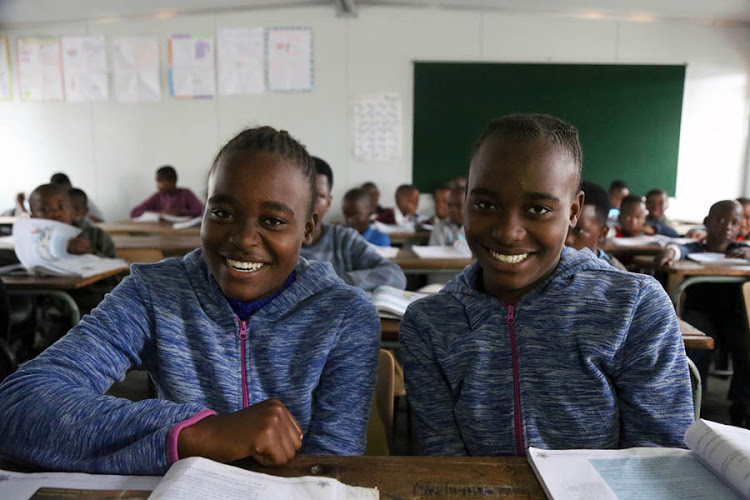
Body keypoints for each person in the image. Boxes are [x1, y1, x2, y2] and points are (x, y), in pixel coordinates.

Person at [0, 126, 380, 474]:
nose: (243, 238)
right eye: (222, 212)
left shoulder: (345, 316)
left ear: (309, 228)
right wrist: (195, 433)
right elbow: (18, 406)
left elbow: (331, 468)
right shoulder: (154, 292)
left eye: (273, 221)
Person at [400, 114, 693, 456]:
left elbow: (660, 459)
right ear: (464, 201)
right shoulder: (429, 323)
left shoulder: (634, 307)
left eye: (538, 209)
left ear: (573, 211)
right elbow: (445, 464)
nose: (509, 232)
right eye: (484, 204)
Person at [656, 200, 750, 427]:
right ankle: (695, 405)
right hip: (699, 312)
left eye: (734, 223)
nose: (727, 226)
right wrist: (671, 251)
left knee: (746, 346)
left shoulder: (741, 250)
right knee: (700, 346)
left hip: (732, 315)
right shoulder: (695, 247)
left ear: (740, 228)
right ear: (707, 222)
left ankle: (742, 405)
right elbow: (679, 249)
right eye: (720, 220)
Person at [301, 157, 406, 291]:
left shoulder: (344, 239)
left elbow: (395, 276)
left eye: (319, 196)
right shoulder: (277, 241)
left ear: (328, 203)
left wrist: (334, 282)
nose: (310, 203)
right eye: (303, 194)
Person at [28, 184, 116, 259]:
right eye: (44, 210)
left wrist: (90, 254)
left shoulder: (97, 236)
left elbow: (120, 274)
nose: (55, 213)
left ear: (72, 211)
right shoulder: (30, 243)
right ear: (33, 218)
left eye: (61, 207)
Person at [565, 181, 626, 271]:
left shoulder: (617, 276)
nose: (567, 240)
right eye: (563, 229)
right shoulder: (546, 267)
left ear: (602, 234)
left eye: (578, 231)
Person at [130, 165, 204, 219]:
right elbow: (134, 212)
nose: (157, 185)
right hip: (160, 233)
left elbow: (202, 211)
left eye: (159, 181)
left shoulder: (186, 194)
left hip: (182, 233)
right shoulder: (157, 196)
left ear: (172, 181)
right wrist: (160, 213)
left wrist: (179, 212)